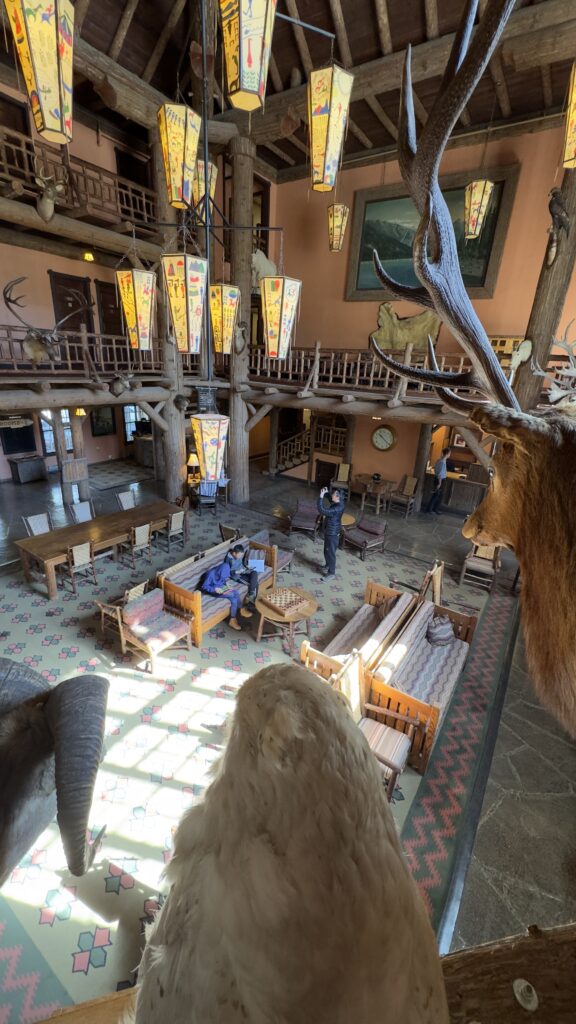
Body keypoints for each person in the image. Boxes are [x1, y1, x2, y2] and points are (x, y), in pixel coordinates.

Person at [201, 560, 253, 632]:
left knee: (235, 593)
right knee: (232, 594)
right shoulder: (210, 574)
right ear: (219, 572)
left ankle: (235, 616)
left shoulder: (223, 569)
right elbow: (204, 587)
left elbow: (224, 579)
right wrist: (214, 589)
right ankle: (238, 612)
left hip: (221, 587)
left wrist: (227, 584)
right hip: (214, 591)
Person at [318, 486, 345, 581]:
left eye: (333, 494)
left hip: (332, 533)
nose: (332, 495)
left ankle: (331, 573)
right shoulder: (339, 502)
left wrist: (321, 497)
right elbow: (330, 499)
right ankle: (327, 566)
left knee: (331, 553)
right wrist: (325, 493)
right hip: (330, 530)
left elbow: (323, 510)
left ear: (337, 497)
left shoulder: (337, 508)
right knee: (326, 550)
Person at [426, 446, 451, 515]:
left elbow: (435, 469)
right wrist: (439, 483)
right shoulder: (442, 462)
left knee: (437, 496)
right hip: (440, 480)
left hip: (437, 479)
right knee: (437, 496)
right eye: (449, 453)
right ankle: (431, 509)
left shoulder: (439, 460)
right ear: (447, 453)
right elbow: (440, 473)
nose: (450, 455)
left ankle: (432, 509)